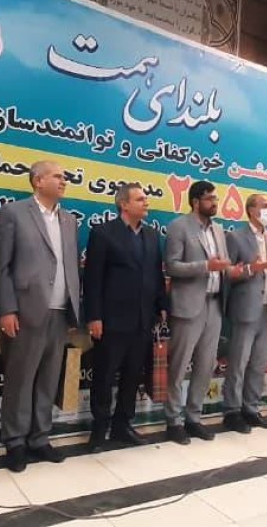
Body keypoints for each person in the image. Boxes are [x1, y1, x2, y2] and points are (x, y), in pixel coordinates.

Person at [0, 160, 80, 472]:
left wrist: (75, 311)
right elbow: (0, 266)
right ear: (38, 181)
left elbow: (70, 266)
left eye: (64, 177)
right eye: (57, 176)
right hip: (26, 311)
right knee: (20, 380)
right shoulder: (14, 213)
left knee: (48, 379)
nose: (63, 181)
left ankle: (40, 438)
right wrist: (6, 309)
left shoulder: (69, 220)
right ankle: (15, 441)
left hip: (60, 313)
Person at [83, 184, 167, 452]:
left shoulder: (151, 235)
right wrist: (94, 316)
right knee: (104, 377)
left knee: (132, 375)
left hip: (143, 319)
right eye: (140, 199)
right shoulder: (103, 233)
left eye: (146, 198)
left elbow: (155, 274)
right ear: (124, 204)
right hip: (111, 320)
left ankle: (122, 424)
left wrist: (161, 305)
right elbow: (93, 279)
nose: (146, 203)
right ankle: (99, 430)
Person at [163, 181, 243, 445]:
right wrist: (205, 266)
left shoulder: (219, 230)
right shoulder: (179, 227)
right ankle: (173, 421)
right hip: (188, 305)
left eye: (215, 198)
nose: (215, 203)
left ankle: (193, 417)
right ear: (196, 201)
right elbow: (172, 266)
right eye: (209, 199)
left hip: (214, 304)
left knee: (206, 365)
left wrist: (238, 270)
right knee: (179, 365)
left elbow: (222, 265)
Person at [222, 194, 267, 433]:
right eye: (264, 206)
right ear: (251, 210)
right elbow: (228, 274)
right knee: (238, 363)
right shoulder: (235, 237)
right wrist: (250, 269)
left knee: (259, 363)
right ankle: (232, 411)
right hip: (245, 308)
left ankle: (251, 409)